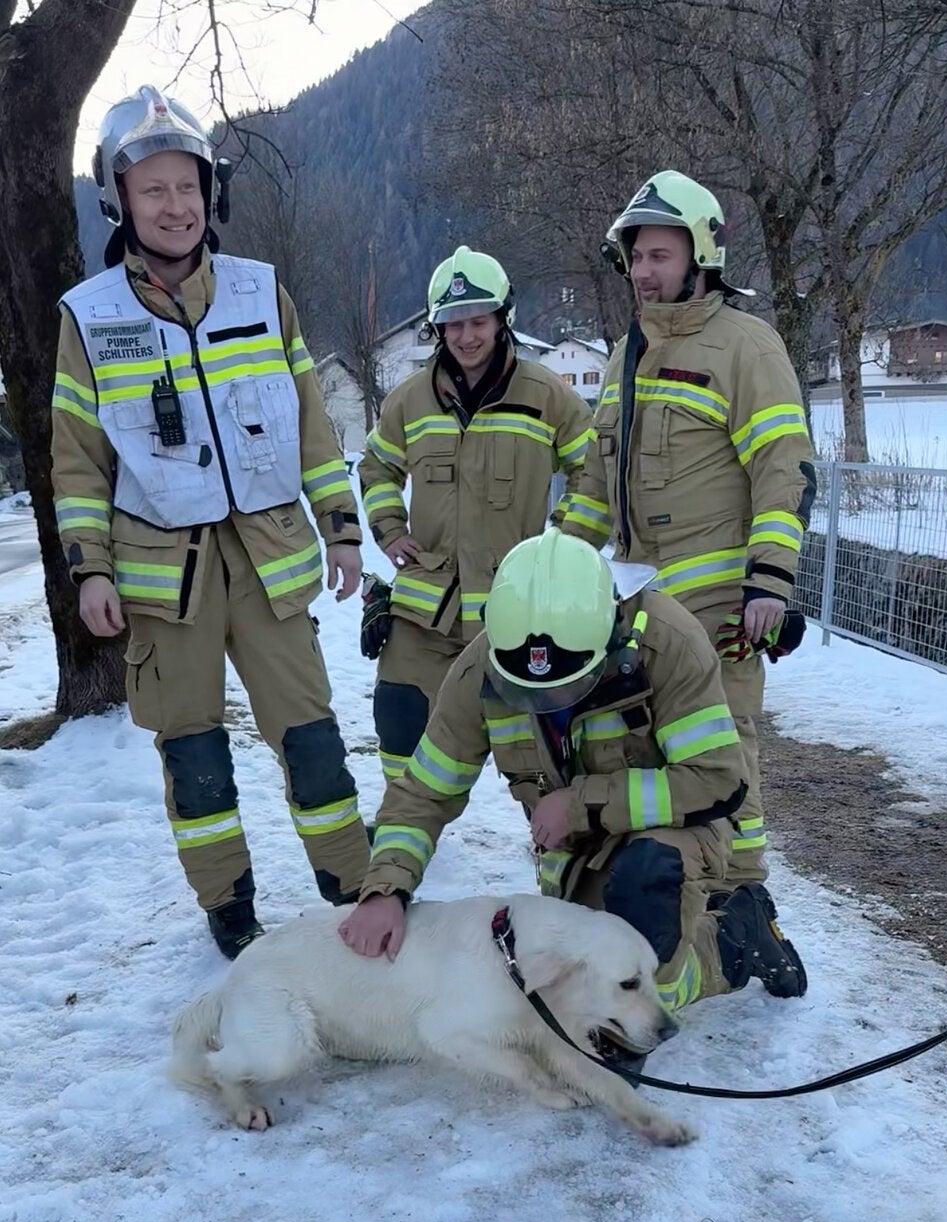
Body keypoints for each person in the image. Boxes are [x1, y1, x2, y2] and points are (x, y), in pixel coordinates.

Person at [51, 85, 369, 960]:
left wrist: (341, 525)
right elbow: (77, 461)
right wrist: (92, 570)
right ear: (119, 198)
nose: (174, 204)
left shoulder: (262, 293)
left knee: (312, 740)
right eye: (152, 188)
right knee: (194, 758)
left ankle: (355, 890)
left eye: (187, 185)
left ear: (210, 191)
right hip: (164, 584)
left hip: (270, 565)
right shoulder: (91, 317)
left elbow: (311, 418)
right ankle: (229, 908)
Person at [339, 529, 807, 1011]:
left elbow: (717, 779)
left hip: (677, 831)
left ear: (609, 638)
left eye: (563, 689)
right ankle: (730, 934)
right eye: (526, 692)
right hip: (577, 850)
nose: (542, 704)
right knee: (586, 980)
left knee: (636, 971)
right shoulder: (481, 666)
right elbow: (424, 793)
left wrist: (582, 803)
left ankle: (732, 942)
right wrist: (386, 889)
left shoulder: (669, 644)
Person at [560, 170, 815, 904]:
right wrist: (561, 565)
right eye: (636, 258)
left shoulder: (747, 346)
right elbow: (594, 488)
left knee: (727, 749)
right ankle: (684, 897)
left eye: (660, 257)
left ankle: (745, 904)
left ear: (701, 256)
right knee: (653, 750)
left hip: (723, 608)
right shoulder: (624, 355)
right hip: (644, 609)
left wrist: (769, 581)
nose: (643, 272)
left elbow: (783, 468)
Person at [357, 244, 596, 782]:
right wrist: (390, 531)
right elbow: (376, 468)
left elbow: (594, 473)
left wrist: (561, 544)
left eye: (478, 321)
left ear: (501, 318)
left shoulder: (547, 395)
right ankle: (403, 820)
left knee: (536, 735)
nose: (466, 336)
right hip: (427, 610)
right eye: (452, 324)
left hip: (519, 608)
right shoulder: (409, 400)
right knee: (399, 719)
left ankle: (555, 830)